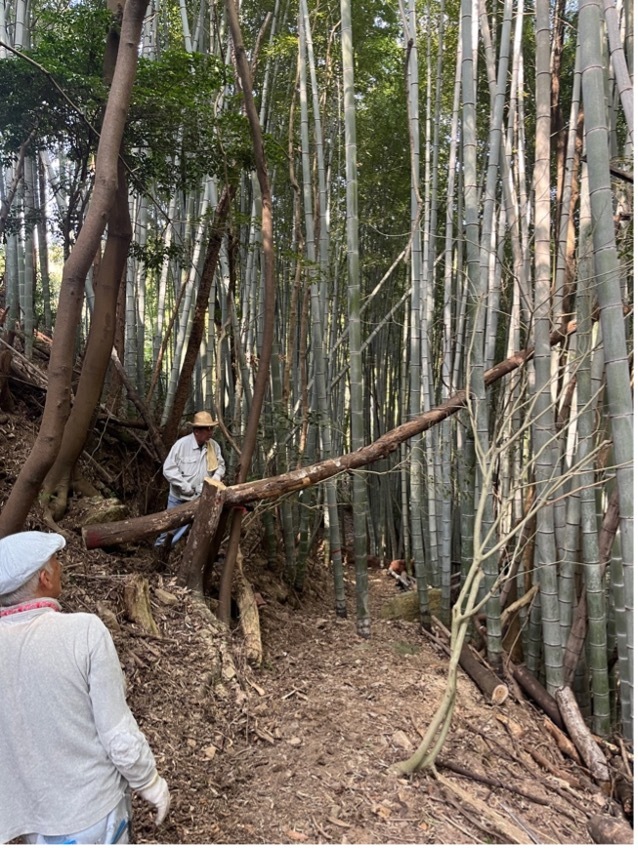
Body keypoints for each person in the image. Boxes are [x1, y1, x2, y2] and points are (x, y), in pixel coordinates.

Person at [0, 531, 170, 844]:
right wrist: (150, 782)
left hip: (26, 822)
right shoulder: (84, 631)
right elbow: (116, 732)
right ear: (44, 578)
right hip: (91, 813)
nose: (62, 566)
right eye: (57, 561)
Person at [156, 411, 226, 547]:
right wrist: (184, 486)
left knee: (197, 531)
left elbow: (221, 465)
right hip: (179, 498)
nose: (211, 432)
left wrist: (216, 478)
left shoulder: (214, 446)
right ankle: (159, 554)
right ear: (197, 431)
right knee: (169, 530)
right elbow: (169, 469)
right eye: (208, 429)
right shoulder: (181, 445)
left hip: (201, 498)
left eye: (211, 428)